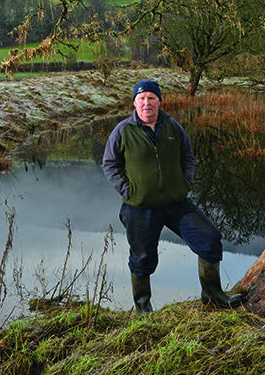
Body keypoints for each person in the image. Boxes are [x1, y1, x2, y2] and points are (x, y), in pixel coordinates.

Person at [102, 79, 244, 313]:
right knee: (142, 258)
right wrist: (129, 191)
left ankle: (213, 296)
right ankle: (143, 308)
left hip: (177, 204)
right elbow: (110, 165)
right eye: (141, 98)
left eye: (151, 98)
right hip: (140, 207)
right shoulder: (123, 131)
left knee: (209, 238)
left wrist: (185, 183)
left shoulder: (172, 127)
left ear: (159, 101)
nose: (146, 103)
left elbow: (187, 156)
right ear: (134, 103)